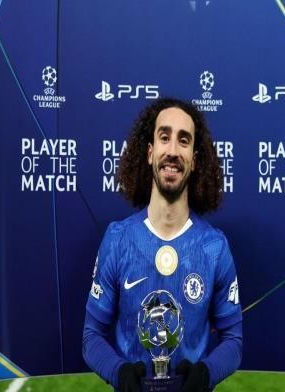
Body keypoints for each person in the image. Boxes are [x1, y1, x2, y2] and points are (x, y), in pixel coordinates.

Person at [83, 98, 242, 392]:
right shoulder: (118, 240)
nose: (172, 151)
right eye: (164, 137)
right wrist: (119, 373)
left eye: (184, 140)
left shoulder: (214, 247)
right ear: (150, 152)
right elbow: (91, 336)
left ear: (194, 160)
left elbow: (233, 340)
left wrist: (206, 373)